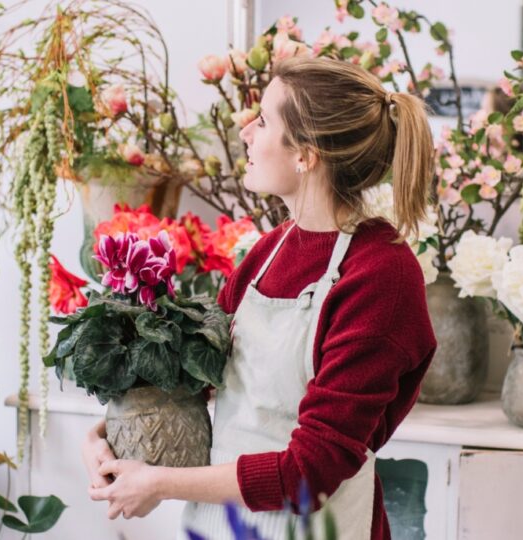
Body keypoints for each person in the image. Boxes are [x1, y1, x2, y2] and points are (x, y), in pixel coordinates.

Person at [82, 56, 437, 540]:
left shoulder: (380, 276)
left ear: (306, 154)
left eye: (264, 120)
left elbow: (312, 472)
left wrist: (159, 483)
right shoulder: (271, 250)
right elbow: (193, 383)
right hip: (220, 526)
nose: (246, 132)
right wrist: (105, 438)